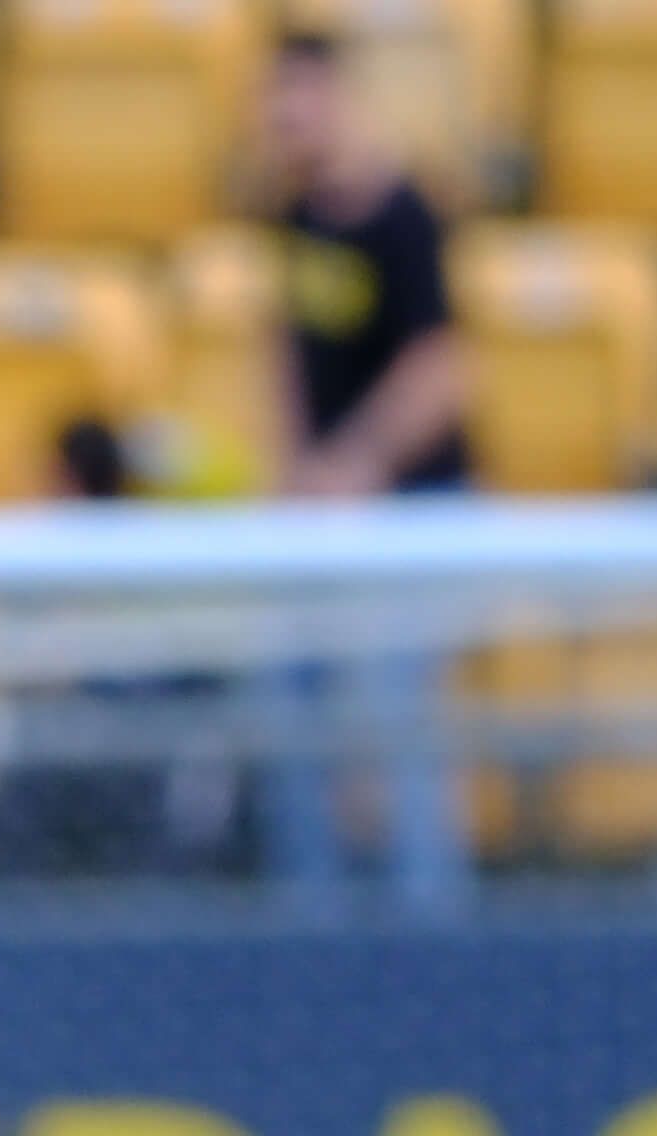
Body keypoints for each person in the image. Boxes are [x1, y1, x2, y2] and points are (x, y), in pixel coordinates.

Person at [258, 32, 472, 901]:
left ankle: (428, 911)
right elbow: (287, 352)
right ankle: (310, 909)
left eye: (297, 94)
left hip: (412, 505)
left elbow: (443, 369)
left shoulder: (403, 216)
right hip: (322, 511)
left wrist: (356, 464)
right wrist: (297, 470)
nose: (282, 116)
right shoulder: (293, 218)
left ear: (337, 96)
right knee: (288, 698)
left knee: (397, 712)